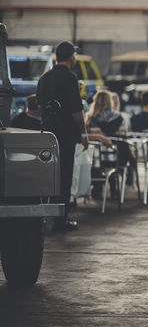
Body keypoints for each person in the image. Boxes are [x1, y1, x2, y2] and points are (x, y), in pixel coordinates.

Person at [37, 41, 88, 232]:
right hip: (66, 136)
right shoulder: (70, 78)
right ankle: (60, 220)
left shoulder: (44, 78)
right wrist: (83, 133)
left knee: (48, 177)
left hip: (47, 135)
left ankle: (43, 217)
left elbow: (41, 107)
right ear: (71, 57)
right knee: (65, 176)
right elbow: (76, 111)